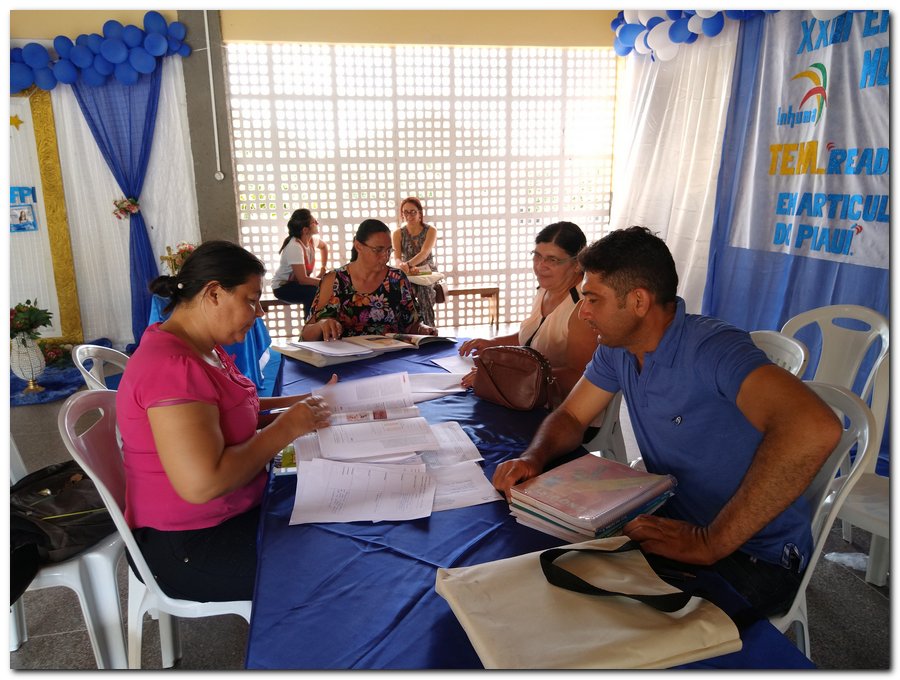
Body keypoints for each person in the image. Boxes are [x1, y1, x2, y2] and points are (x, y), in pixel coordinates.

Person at [492, 226, 843, 617]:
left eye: (593, 299)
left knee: (598, 616)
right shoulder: (618, 347)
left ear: (638, 301)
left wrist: (710, 541)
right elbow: (573, 415)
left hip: (754, 554)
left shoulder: (712, 348)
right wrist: (534, 457)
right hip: (673, 518)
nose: (583, 311)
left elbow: (814, 428)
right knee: (543, 569)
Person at [116, 240, 334, 602]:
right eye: (251, 300)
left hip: (229, 513)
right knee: (338, 562)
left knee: (339, 519)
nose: (259, 312)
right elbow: (203, 484)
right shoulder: (172, 368)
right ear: (214, 293)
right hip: (192, 542)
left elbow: (233, 407)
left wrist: (300, 402)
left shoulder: (200, 346)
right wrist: (287, 426)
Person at [459, 221, 598, 396]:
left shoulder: (583, 308)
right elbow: (533, 338)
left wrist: (505, 378)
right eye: (537, 256)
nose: (540, 266)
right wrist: (493, 343)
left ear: (577, 264)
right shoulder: (546, 289)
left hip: (560, 403)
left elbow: (578, 376)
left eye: (552, 260)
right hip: (529, 392)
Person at [300, 219, 437, 341]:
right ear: (358, 246)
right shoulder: (334, 280)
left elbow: (412, 324)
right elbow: (306, 335)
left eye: (389, 250)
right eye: (378, 250)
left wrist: (423, 329)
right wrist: (321, 325)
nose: (385, 256)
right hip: (348, 358)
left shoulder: (397, 279)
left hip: (392, 356)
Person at [270, 208, 329, 318]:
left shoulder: (311, 241)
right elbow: (303, 279)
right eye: (314, 222)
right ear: (305, 230)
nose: (317, 223)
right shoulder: (295, 247)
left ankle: (319, 321)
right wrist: (326, 282)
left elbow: (324, 247)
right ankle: (310, 324)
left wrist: (323, 268)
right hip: (282, 288)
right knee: (313, 292)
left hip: (296, 285)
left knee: (319, 290)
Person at [392, 196, 438, 327]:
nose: (409, 215)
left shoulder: (430, 230)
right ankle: (408, 328)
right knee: (401, 292)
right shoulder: (398, 233)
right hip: (408, 273)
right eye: (405, 212)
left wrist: (407, 264)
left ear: (420, 213)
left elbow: (424, 253)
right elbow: (397, 257)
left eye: (413, 212)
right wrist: (402, 265)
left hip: (426, 272)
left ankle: (429, 328)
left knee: (425, 291)